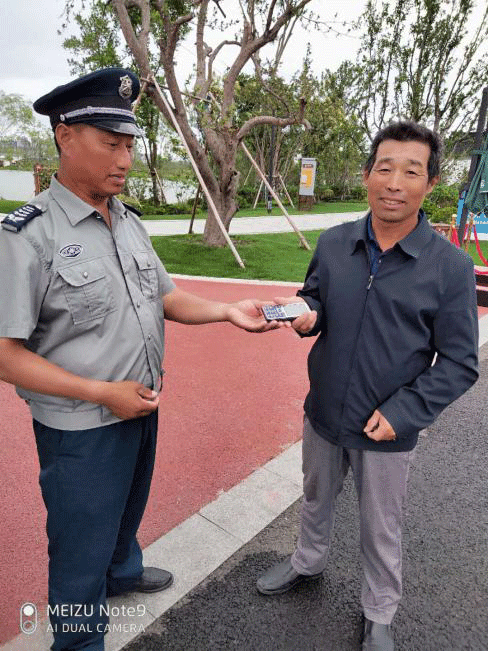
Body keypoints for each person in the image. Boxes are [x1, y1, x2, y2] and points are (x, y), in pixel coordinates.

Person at [0, 68, 282, 651]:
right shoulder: (26, 237)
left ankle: (122, 572)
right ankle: (79, 641)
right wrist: (102, 393)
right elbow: (4, 355)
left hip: (140, 405)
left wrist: (227, 311)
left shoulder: (127, 221)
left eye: (129, 145)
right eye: (111, 144)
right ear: (65, 136)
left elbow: (165, 296)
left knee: (127, 508)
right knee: (79, 545)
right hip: (81, 428)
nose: (125, 160)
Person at [256, 121, 479, 651]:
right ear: (366, 176)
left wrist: (404, 413)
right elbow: (316, 297)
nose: (395, 183)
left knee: (382, 524)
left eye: (411, 171)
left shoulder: (450, 267)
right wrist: (307, 313)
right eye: (385, 168)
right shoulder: (335, 243)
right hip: (323, 411)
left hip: (386, 426)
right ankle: (307, 561)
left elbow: (460, 363)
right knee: (315, 496)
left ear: (431, 182)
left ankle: (379, 610)